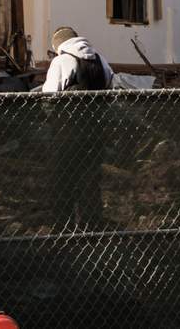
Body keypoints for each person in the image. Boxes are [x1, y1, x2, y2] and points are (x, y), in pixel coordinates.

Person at [42, 26, 113, 229]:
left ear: (58, 45)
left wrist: (52, 119)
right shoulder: (101, 60)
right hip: (96, 131)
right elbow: (110, 89)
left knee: (62, 178)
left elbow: (49, 95)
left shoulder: (62, 60)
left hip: (67, 132)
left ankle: (62, 228)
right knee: (90, 180)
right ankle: (92, 227)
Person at [42, 26, 114, 92]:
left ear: (57, 46)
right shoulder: (100, 58)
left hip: (69, 105)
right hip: (98, 105)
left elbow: (50, 92)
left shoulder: (61, 60)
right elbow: (111, 84)